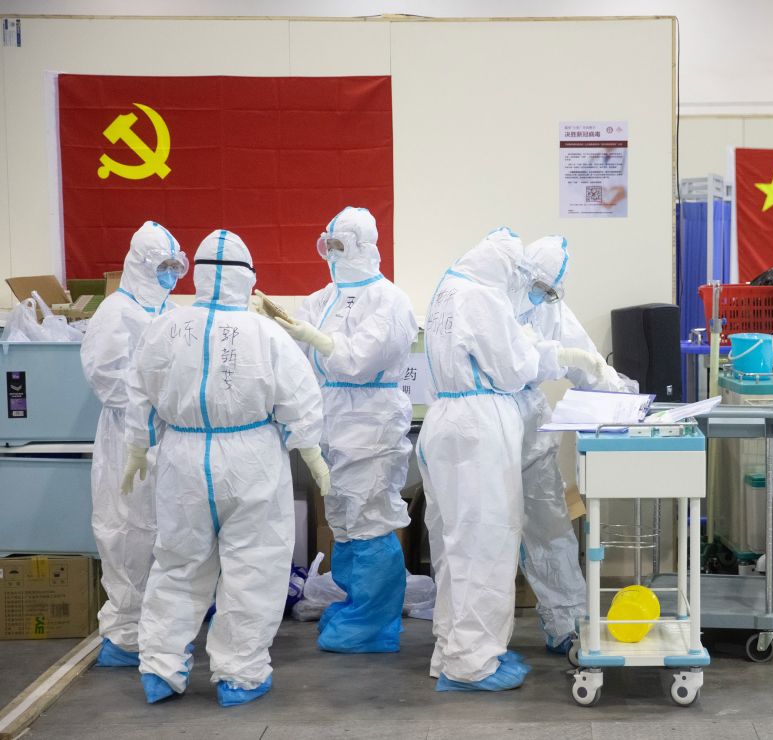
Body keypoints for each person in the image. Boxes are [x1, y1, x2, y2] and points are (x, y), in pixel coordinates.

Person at [122, 229, 329, 708]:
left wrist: (138, 447)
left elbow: (138, 394)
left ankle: (159, 669)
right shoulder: (267, 334)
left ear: (198, 273)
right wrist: (312, 453)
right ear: (248, 277)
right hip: (251, 458)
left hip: (182, 457)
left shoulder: (164, 328)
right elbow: (300, 399)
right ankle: (240, 674)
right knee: (253, 567)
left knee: (176, 563)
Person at [416, 227, 602, 692]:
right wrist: (563, 358)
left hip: (451, 423)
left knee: (456, 545)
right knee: (486, 544)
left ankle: (453, 648)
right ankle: (473, 664)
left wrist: (600, 374)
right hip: (481, 426)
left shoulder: (451, 288)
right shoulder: (483, 296)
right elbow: (515, 365)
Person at [270, 206, 418, 653]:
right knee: (345, 520)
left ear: (364, 245)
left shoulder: (390, 301)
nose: (332, 253)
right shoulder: (320, 299)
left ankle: (373, 624)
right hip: (329, 419)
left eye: (341, 244)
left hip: (372, 420)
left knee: (370, 518)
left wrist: (312, 338)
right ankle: (356, 604)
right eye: (327, 243)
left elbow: (356, 360)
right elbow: (299, 359)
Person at [80, 221, 188, 667]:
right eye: (161, 266)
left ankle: (159, 625)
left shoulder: (166, 309)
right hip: (128, 435)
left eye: (173, 266)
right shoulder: (115, 311)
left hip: (163, 433)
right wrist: (154, 402)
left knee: (165, 527)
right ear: (140, 263)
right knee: (126, 530)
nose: (168, 275)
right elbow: (105, 377)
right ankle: (125, 634)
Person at [513, 236, 617, 656]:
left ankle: (567, 624)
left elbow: (587, 361)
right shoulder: (491, 300)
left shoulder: (550, 307)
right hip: (487, 425)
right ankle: (472, 639)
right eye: (537, 284)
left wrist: (622, 396)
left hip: (528, 425)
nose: (541, 294)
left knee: (550, 525)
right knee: (480, 537)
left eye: (550, 289)